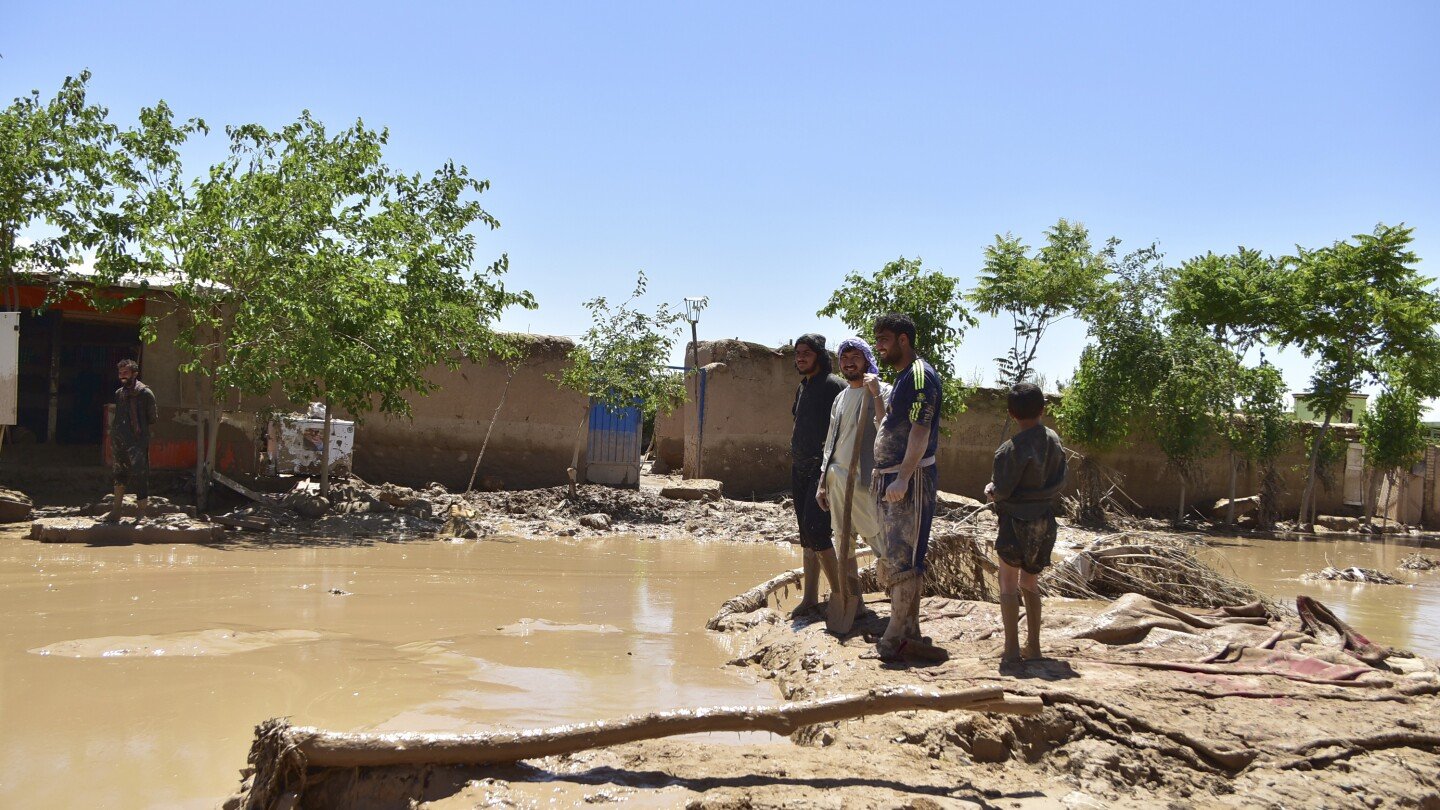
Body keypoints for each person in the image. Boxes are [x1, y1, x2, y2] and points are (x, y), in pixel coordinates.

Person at [870, 313, 943, 660]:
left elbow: (920, 430)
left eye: (884, 338)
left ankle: (894, 634)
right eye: (877, 339)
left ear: (903, 340)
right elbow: (891, 423)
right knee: (899, 554)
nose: (879, 346)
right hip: (895, 478)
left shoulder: (920, 377)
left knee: (903, 556)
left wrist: (902, 477)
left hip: (910, 480)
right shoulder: (902, 378)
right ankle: (910, 630)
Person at [985, 382, 1067, 663]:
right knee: (1030, 581)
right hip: (1045, 520)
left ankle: (1011, 651)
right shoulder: (1054, 441)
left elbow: (1002, 491)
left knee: (1007, 581)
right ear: (1043, 408)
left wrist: (991, 491)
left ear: (1010, 413)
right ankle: (1034, 647)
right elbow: (1060, 479)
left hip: (1015, 522)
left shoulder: (1008, 450)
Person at [815, 338, 890, 600]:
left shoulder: (885, 391)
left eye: (855, 357)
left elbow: (886, 430)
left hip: (866, 482)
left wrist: (876, 394)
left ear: (868, 359)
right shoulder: (841, 398)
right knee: (843, 543)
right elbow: (831, 441)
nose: (849, 363)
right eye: (844, 359)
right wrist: (822, 481)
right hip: (837, 481)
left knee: (882, 542)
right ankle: (852, 600)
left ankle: (898, 600)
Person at [789, 333, 847, 616]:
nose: (800, 357)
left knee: (817, 530)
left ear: (820, 356)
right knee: (805, 535)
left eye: (806, 353)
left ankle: (841, 596)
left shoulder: (834, 386)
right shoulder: (803, 387)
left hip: (822, 470)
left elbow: (844, 431)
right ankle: (810, 597)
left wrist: (829, 471)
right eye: (798, 353)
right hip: (799, 469)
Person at [106, 359, 158, 521]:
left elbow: (152, 418)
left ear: (134, 374)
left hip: (137, 441)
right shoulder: (119, 394)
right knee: (119, 473)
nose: (122, 376)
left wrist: (137, 431)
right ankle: (116, 510)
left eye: (125, 373)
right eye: (120, 373)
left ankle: (141, 513)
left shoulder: (145, 394)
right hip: (119, 440)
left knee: (140, 474)